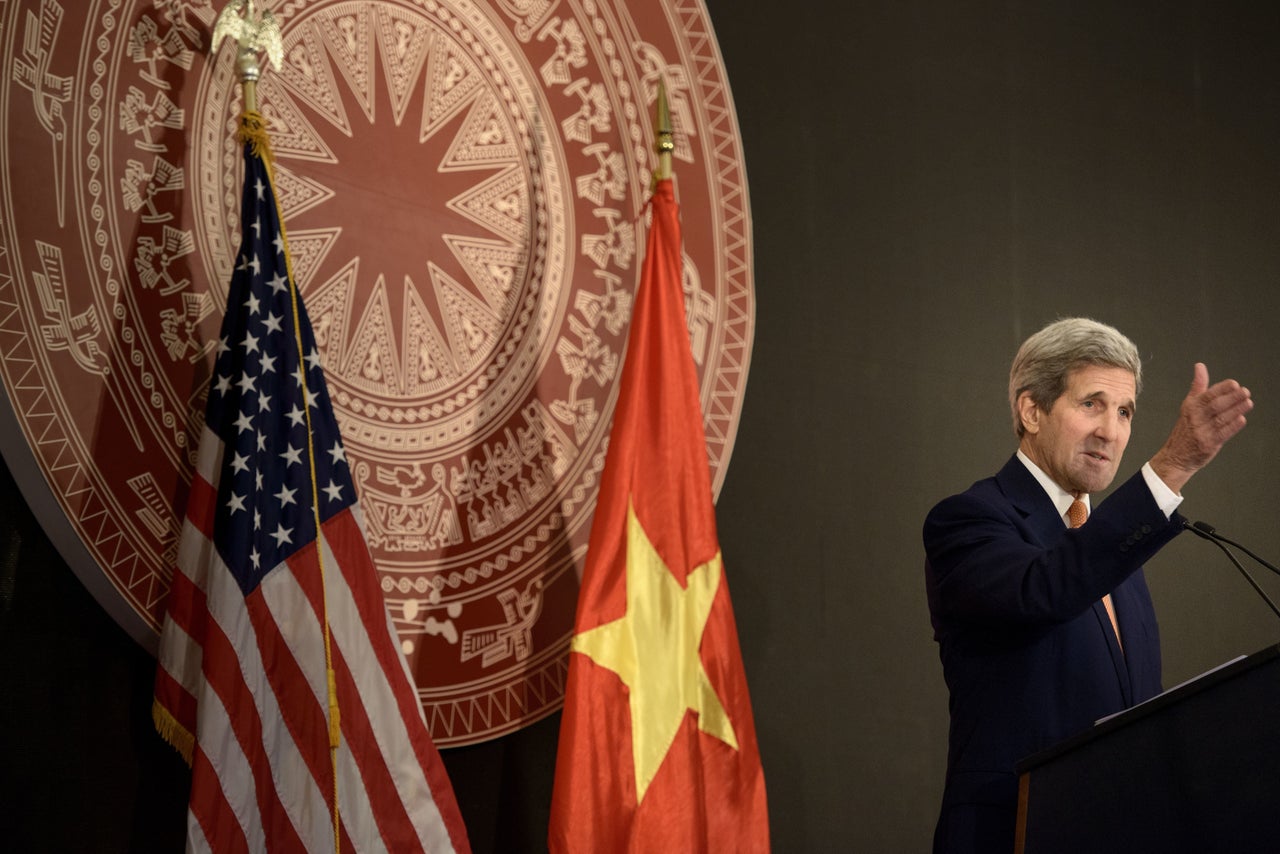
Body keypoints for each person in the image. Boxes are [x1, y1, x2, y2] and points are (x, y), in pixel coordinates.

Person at [923, 317, 1253, 854]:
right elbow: (1044, 591)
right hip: (1015, 832)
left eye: (1124, 412)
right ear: (1032, 410)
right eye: (1091, 404)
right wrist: (1170, 466)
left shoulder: (1113, 549)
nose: (1112, 431)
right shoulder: (969, 521)